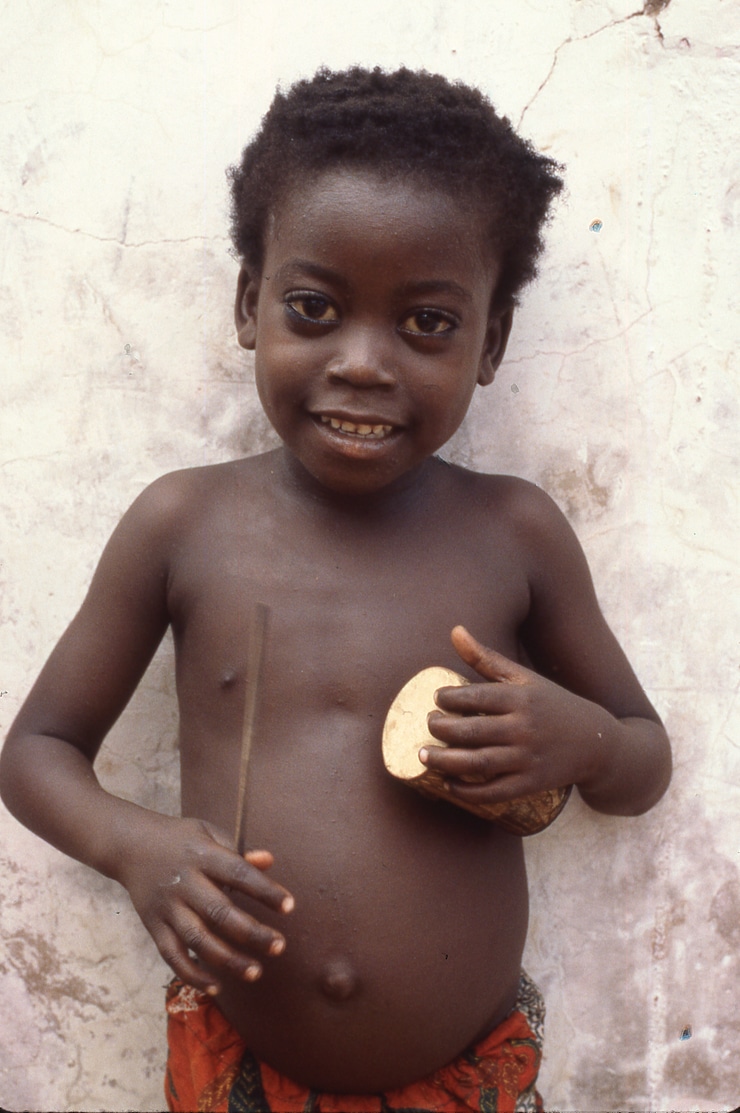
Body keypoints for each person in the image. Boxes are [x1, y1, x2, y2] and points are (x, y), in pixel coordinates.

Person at [0, 66, 672, 1113]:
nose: (361, 363)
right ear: (246, 305)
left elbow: (639, 761)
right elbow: (35, 753)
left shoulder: (514, 531)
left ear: (488, 344)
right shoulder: (182, 524)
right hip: (236, 1070)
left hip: (468, 1077)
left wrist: (578, 739)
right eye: (312, 308)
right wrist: (133, 845)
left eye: (426, 325)